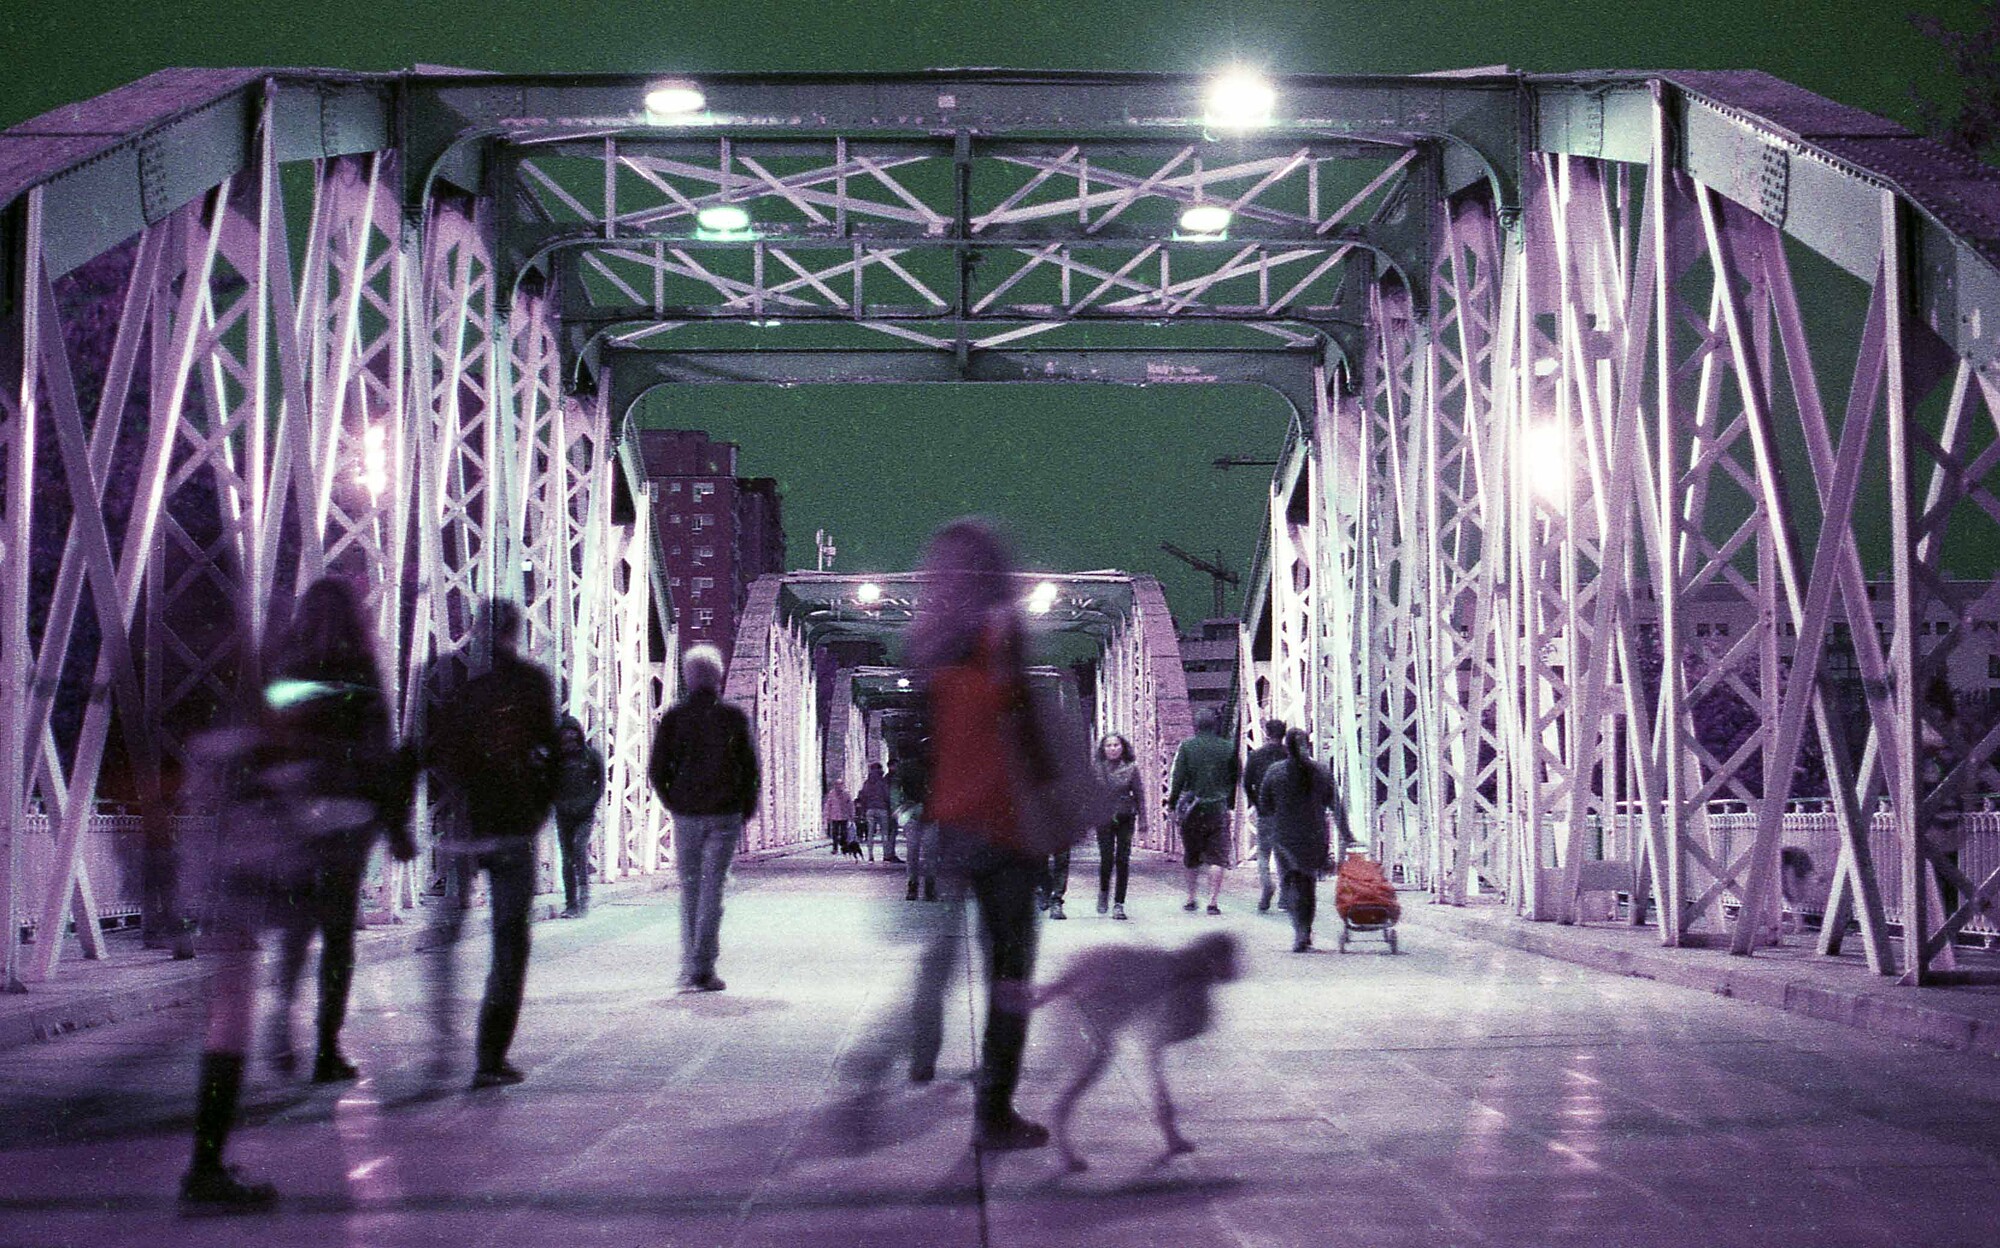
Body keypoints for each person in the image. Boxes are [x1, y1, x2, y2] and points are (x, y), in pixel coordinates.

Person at [906, 518, 1053, 1151]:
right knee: (1011, 968)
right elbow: (1028, 733)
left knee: (940, 953)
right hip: (1007, 825)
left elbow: (917, 745)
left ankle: (918, 1050)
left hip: (951, 821)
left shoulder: (928, 642)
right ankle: (994, 1109)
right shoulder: (1003, 631)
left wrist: (927, 801)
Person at [265, 578, 417, 1085]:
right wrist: (396, 825)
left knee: (296, 929)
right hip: (350, 815)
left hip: (298, 813)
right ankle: (326, 1046)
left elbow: (269, 738)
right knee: (336, 938)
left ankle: (283, 1024)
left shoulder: (290, 666)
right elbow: (383, 756)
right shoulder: (363, 672)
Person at [425, 597, 560, 1089]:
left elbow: (433, 751)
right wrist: (541, 807)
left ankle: (440, 1045)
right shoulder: (533, 683)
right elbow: (553, 748)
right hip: (513, 826)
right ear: (516, 632)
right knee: (509, 943)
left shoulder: (454, 680)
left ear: (477, 630)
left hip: (464, 827)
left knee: (446, 940)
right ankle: (489, 1057)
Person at [650, 643, 760, 993]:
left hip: (687, 814)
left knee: (690, 889)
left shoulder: (674, 718)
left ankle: (689, 966)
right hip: (724, 813)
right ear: (719, 676)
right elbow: (750, 768)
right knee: (713, 890)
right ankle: (704, 967)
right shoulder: (733, 717)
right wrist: (746, 806)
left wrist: (674, 801)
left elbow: (656, 770)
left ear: (687, 677)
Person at [1256, 728, 1349, 952]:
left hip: (1284, 836)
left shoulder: (1274, 772)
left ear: (1286, 748)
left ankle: (1298, 929)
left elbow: (1264, 805)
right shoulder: (1322, 771)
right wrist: (1346, 834)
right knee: (1308, 886)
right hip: (1314, 836)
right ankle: (1304, 931)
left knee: (1289, 882)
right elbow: (1335, 805)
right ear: (1309, 744)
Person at [1167, 708, 1237, 915]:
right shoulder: (1228, 747)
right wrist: (1229, 804)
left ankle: (1191, 898)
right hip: (1218, 806)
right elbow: (1234, 778)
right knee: (1217, 857)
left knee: (1192, 855)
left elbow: (1178, 779)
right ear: (1215, 725)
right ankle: (1213, 902)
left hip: (1193, 809)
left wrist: (1172, 805)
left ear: (1195, 726)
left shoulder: (1187, 747)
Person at [552, 715, 606, 918]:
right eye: (565, 737)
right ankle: (571, 903)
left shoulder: (590, 757)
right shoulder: (557, 762)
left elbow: (599, 785)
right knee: (567, 859)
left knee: (579, 849)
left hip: (585, 814)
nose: (569, 741)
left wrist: (587, 803)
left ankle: (584, 895)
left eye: (572, 735)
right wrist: (561, 804)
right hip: (564, 814)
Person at [1093, 733, 1143, 920]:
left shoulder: (1131, 769)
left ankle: (1119, 903)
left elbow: (1139, 794)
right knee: (1106, 857)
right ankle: (1104, 891)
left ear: (1122, 748)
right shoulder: (1096, 769)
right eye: (1109, 745)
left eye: (1116, 745)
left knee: (1123, 859)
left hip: (1125, 817)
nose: (1113, 748)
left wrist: (1144, 821)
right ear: (1103, 749)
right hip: (1103, 817)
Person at [1242, 719, 1288, 912]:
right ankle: (1285, 897)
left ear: (1266, 732)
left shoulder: (1256, 756)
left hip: (1265, 811)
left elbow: (1246, 783)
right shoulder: (1290, 755)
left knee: (1263, 853)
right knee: (1283, 855)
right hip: (1286, 812)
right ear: (1284, 734)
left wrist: (1256, 802)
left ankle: (1267, 885)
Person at [857, 762, 895, 863]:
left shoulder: (867, 783)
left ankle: (870, 856)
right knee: (884, 833)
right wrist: (890, 808)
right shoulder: (883, 782)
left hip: (870, 809)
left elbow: (863, 796)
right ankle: (886, 855)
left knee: (870, 833)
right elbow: (887, 796)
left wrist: (863, 810)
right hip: (882, 809)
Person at [823, 776, 854, 855]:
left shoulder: (846, 793)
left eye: (840, 784)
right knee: (834, 833)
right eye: (837, 784)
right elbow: (828, 805)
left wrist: (851, 815)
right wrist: (827, 816)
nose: (838, 786)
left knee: (844, 833)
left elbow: (850, 804)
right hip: (834, 816)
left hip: (844, 816)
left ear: (842, 785)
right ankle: (835, 848)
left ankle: (844, 847)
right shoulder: (831, 793)